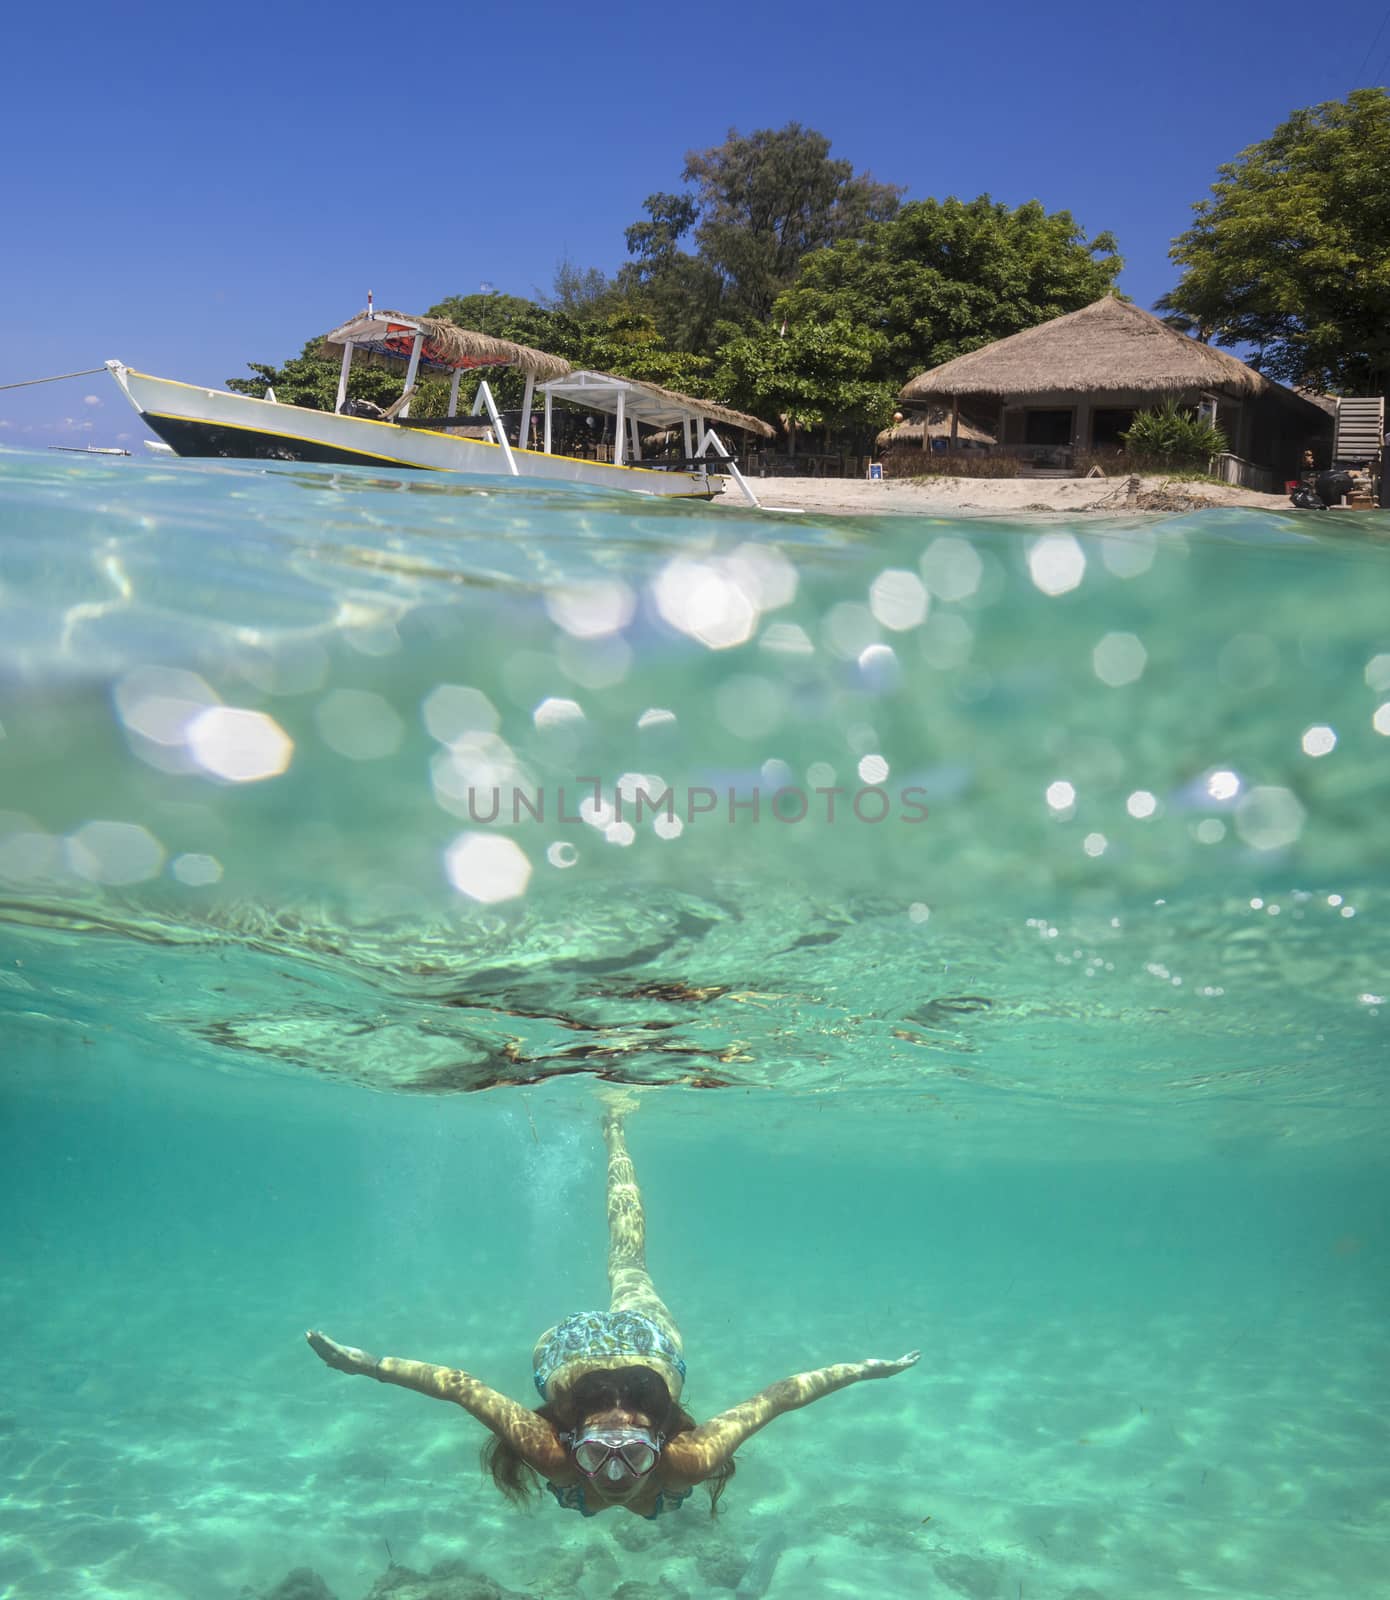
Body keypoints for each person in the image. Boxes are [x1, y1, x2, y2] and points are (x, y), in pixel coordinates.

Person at [306, 1100, 919, 1519]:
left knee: (629, 1263)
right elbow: (782, 1394)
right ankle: (616, 1131)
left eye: (629, 1456)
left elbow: (784, 1396)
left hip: (574, 1349)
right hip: (642, 1342)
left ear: (660, 1438)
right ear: (574, 1437)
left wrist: (371, 1364)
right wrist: (368, 1365)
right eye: (599, 1454)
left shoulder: (583, 1459)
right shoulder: (654, 1462)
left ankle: (616, 1131)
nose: (616, 1474)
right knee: (629, 1263)